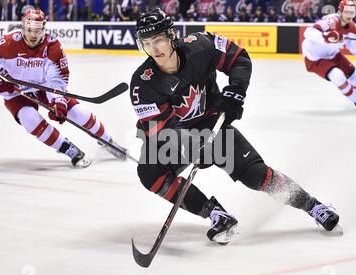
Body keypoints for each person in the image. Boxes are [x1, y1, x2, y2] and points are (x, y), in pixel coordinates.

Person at [130, 8, 340, 245]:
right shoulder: (142, 84)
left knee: (256, 175)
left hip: (211, 124)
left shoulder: (201, 45)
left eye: (158, 40)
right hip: (173, 137)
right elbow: (161, 131)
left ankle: (313, 206)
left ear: (171, 35)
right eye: (147, 43)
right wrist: (191, 144)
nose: (154, 48)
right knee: (151, 174)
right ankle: (215, 214)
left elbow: (238, 58)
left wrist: (236, 92)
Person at [0, 8, 126, 168]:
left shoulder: (52, 46)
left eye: (37, 30)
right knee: (28, 118)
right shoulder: (8, 42)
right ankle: (68, 149)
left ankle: (108, 141)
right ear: (23, 28)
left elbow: (57, 78)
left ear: (43, 29)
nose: (33, 35)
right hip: (16, 91)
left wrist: (59, 102)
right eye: (29, 30)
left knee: (79, 113)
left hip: (44, 87)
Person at [302, 0, 356, 113]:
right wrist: (325, 37)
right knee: (338, 76)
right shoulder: (330, 21)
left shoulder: (351, 27)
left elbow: (355, 48)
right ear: (340, 11)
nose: (349, 16)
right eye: (346, 12)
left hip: (332, 53)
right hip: (315, 56)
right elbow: (307, 32)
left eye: (352, 13)